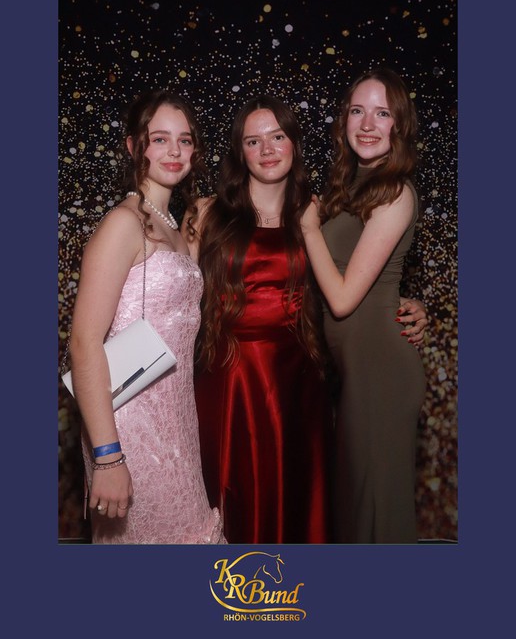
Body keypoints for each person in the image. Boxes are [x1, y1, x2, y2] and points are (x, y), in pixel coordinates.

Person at [182, 94, 427, 544]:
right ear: (239, 152)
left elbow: (350, 275)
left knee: (299, 505)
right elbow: (173, 297)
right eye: (253, 141)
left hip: (297, 385)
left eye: (277, 136)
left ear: (294, 143)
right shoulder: (205, 213)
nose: (267, 149)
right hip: (228, 382)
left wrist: (407, 302)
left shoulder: (318, 213)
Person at [67, 89, 225, 544]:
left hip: (176, 420)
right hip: (129, 426)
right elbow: (83, 342)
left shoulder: (174, 227)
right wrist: (108, 456)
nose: (174, 151)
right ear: (134, 146)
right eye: (160, 139)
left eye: (185, 140)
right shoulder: (123, 223)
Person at [301, 68, 427, 544]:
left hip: (382, 373)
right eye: (358, 111)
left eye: (382, 113)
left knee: (376, 517)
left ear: (400, 125)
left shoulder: (395, 191)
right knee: (357, 515)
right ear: (344, 120)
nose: (368, 124)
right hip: (355, 372)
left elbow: (341, 298)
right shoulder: (349, 187)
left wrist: (308, 228)